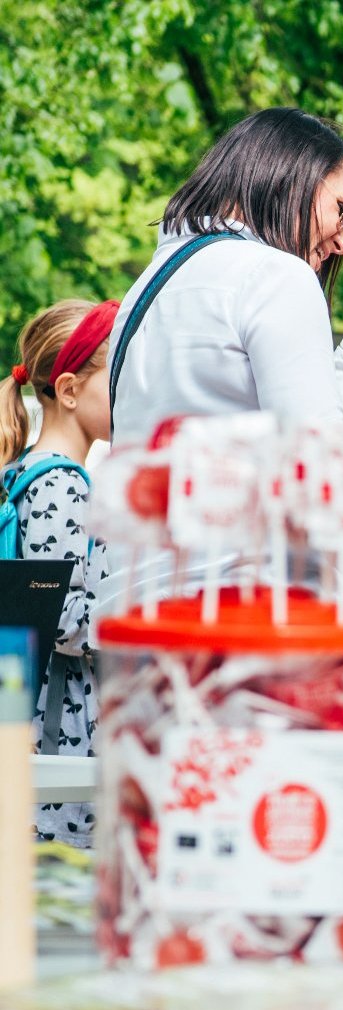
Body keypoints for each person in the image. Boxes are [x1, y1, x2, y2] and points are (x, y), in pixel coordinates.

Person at [105, 107, 343, 618]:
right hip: (248, 622)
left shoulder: (150, 288)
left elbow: (272, 423)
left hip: (143, 620)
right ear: (290, 178)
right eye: (341, 208)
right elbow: (324, 474)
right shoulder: (275, 275)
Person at [1, 299, 117, 846]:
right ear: (69, 391)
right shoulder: (61, 484)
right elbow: (65, 618)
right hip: (63, 724)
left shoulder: (22, 469)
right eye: (118, 375)